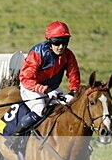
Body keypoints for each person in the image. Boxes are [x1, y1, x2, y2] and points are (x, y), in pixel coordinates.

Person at [5, 21, 81, 151]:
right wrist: (45, 90)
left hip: (51, 89)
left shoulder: (68, 55)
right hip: (31, 87)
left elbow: (73, 75)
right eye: (57, 42)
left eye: (65, 42)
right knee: (40, 110)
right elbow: (26, 78)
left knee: (69, 110)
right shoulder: (37, 52)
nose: (61, 46)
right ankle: (14, 138)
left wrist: (73, 92)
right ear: (49, 41)